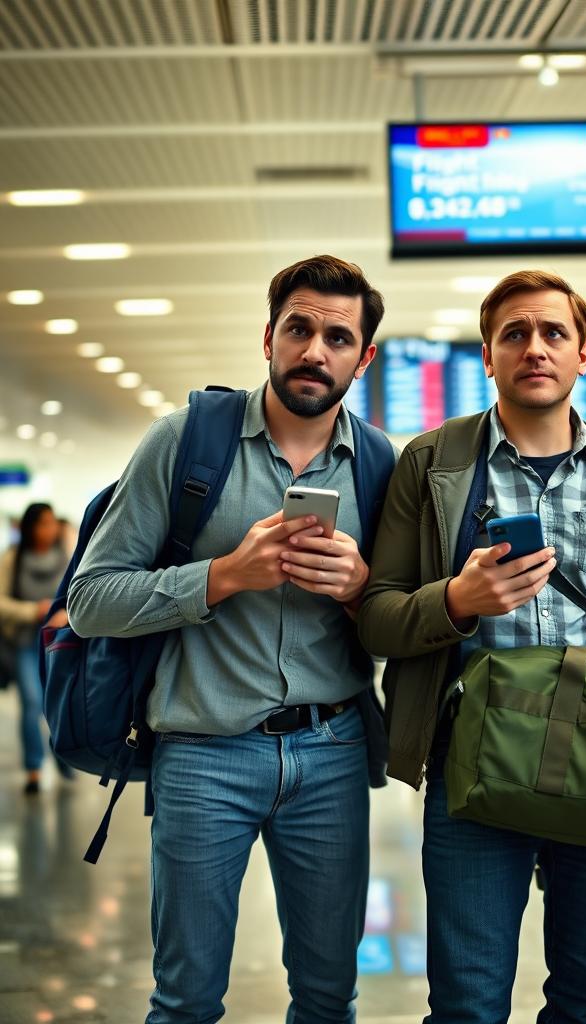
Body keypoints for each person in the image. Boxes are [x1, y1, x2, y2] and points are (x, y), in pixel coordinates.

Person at [67, 255, 393, 1024]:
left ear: (364, 357)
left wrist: (359, 591)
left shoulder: (382, 465)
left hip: (332, 753)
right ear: (269, 337)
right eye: (300, 328)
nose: (316, 350)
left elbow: (400, 627)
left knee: (327, 996)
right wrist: (223, 575)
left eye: (339, 337)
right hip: (202, 755)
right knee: (185, 1000)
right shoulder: (185, 442)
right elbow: (89, 601)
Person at [359, 270, 586, 1023]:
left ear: (584, 353)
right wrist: (457, 602)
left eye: (554, 333)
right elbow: (374, 615)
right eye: (514, 334)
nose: (536, 348)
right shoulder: (431, 464)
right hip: (475, 766)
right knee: (466, 1003)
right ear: (489, 356)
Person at [0, 502, 74, 794]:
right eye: (42, 523)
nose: (48, 529)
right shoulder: (13, 559)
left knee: (58, 703)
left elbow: (78, 596)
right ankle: (33, 768)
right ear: (30, 527)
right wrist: (34, 611)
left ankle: (64, 755)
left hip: (60, 643)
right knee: (32, 703)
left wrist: (65, 612)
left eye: (52, 522)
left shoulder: (64, 558)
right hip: (25, 642)